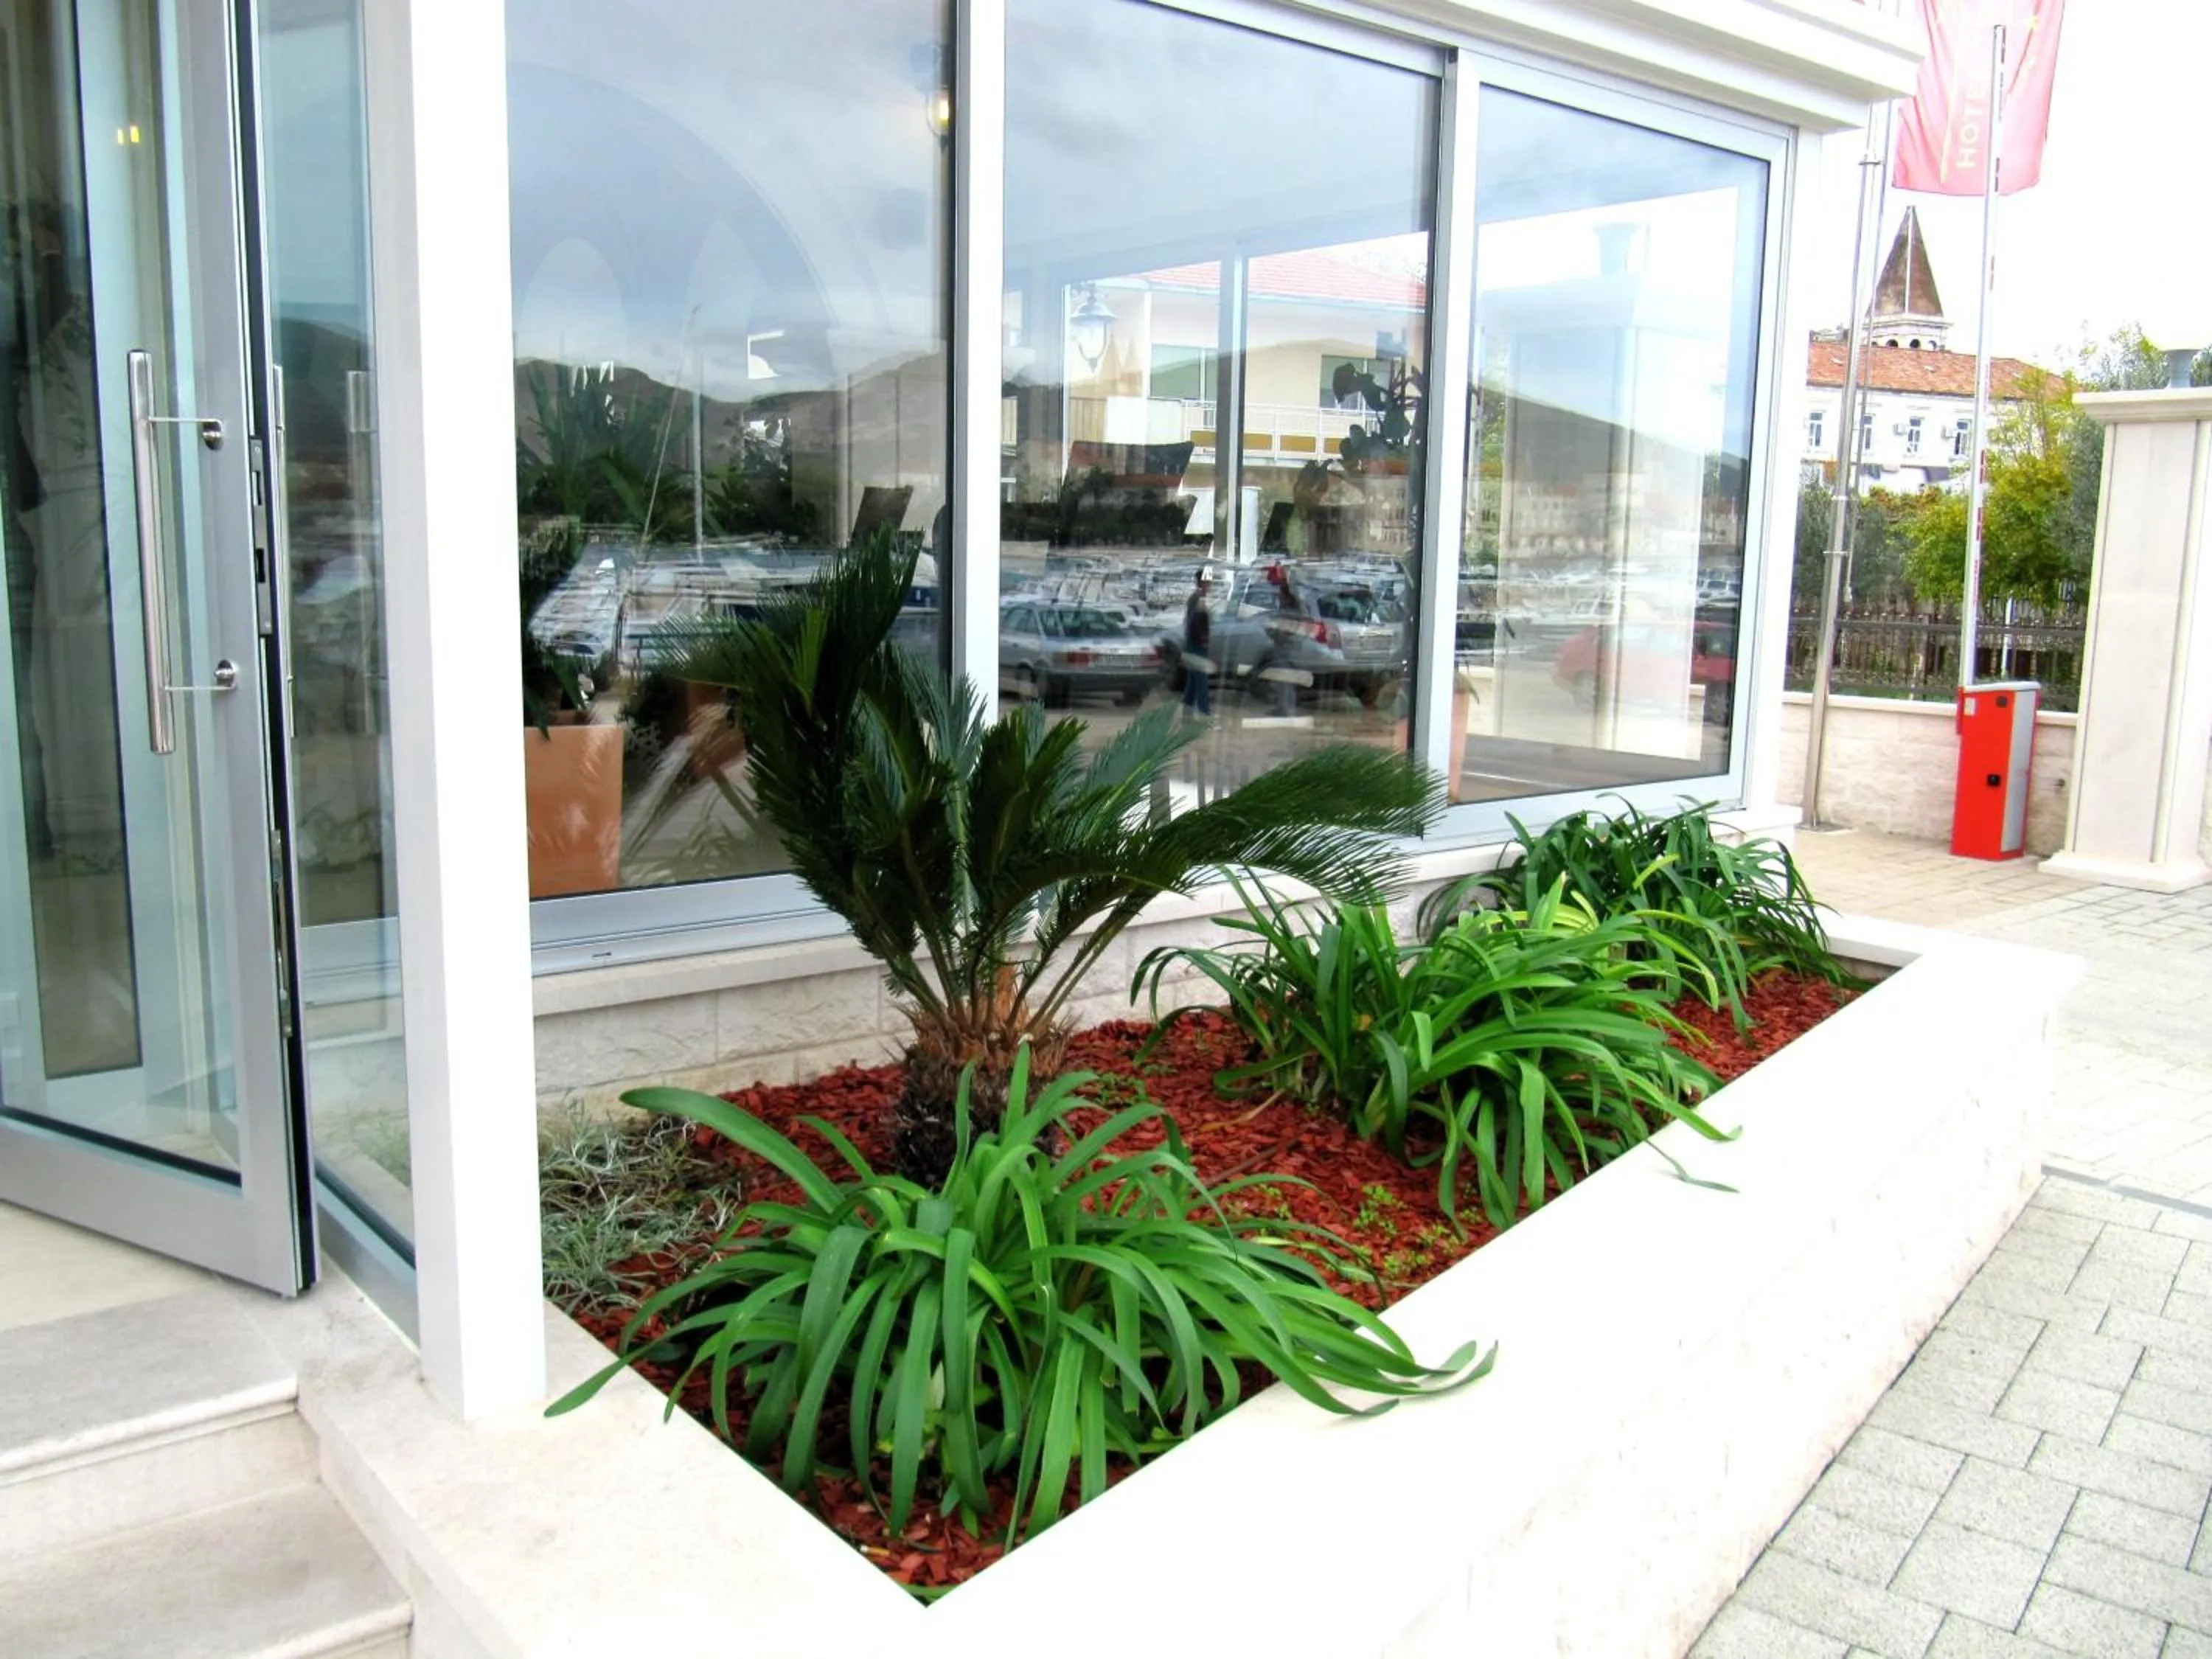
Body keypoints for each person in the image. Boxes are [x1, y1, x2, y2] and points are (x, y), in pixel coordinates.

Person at [1180, 572, 1213, 717]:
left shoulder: (1194, 597)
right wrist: (1204, 639)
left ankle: (1187, 711)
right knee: (1201, 679)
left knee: (1193, 680)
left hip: (1191, 642)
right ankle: (1204, 712)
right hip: (1197, 643)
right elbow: (1197, 623)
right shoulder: (1200, 598)